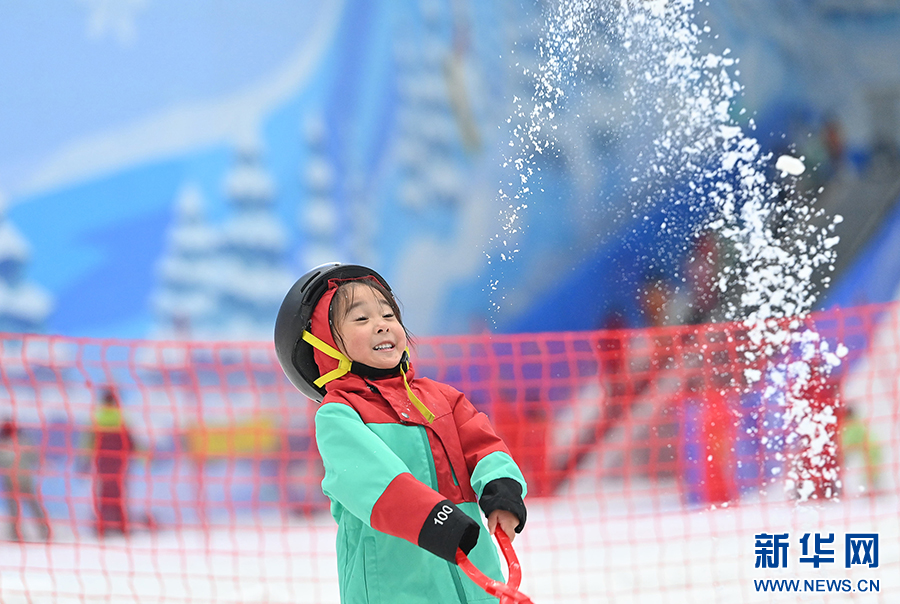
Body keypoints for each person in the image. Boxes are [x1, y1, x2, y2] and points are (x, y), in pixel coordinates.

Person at [275, 263, 528, 604]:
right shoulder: (340, 415)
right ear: (325, 344)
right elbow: (374, 480)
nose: (381, 325)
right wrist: (436, 518)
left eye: (388, 315)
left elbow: (484, 448)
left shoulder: (443, 399)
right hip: (398, 590)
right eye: (361, 319)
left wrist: (502, 489)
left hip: (478, 583)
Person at [89, 388, 135, 536]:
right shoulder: (120, 417)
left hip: (103, 463)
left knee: (104, 495)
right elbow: (130, 441)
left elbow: (89, 441)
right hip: (118, 463)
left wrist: (84, 460)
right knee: (118, 495)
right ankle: (122, 527)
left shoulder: (97, 417)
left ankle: (103, 528)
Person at [0, 418, 51, 541]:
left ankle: (40, 531)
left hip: (18, 479)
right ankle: (38, 531)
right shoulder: (20, 442)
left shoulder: (16, 442)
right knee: (21, 508)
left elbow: (34, 457)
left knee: (24, 507)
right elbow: (34, 457)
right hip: (17, 480)